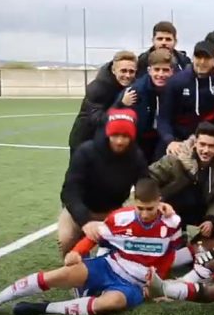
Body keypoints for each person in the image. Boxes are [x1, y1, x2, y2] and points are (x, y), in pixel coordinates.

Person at [0, 178, 181, 315]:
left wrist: (157, 285)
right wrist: (76, 253)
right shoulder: (120, 217)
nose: (144, 214)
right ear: (134, 202)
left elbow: (169, 255)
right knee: (57, 275)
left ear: (159, 201)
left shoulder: (171, 223)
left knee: (111, 303)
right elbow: (92, 237)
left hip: (134, 284)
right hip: (109, 266)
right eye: (140, 208)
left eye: (150, 208)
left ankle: (44, 308)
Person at [59, 109, 149, 257]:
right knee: (67, 238)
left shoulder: (136, 156)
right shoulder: (85, 152)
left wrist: (157, 202)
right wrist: (85, 221)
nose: (119, 141)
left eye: (125, 136)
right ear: (108, 133)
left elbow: (145, 183)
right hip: (81, 208)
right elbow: (70, 191)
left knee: (128, 246)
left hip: (112, 211)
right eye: (115, 135)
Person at [149, 122, 214, 248]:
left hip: (196, 214)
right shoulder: (174, 160)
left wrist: (211, 219)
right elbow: (148, 179)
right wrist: (156, 203)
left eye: (211, 146)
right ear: (195, 143)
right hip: (168, 209)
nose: (206, 150)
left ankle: (194, 244)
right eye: (202, 144)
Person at [68, 50, 137, 155]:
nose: (127, 75)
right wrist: (121, 104)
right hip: (84, 141)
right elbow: (97, 120)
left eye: (131, 71)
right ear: (114, 70)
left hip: (106, 142)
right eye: (123, 71)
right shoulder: (98, 88)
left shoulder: (130, 85)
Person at [115, 48, 174, 162]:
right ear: (149, 70)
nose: (160, 74)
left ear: (172, 71)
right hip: (140, 141)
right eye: (156, 69)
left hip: (164, 140)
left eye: (165, 70)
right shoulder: (135, 91)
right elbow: (115, 117)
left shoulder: (176, 89)